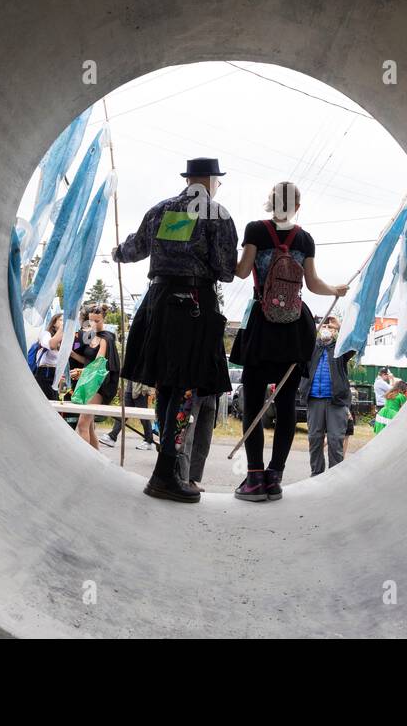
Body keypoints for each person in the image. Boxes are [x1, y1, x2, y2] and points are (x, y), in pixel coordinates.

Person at [112, 158, 238, 503]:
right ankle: (167, 474)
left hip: (158, 302)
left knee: (167, 388)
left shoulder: (160, 209)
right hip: (194, 306)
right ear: (212, 181)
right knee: (185, 389)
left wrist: (116, 251)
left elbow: (133, 250)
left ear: (188, 179)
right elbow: (226, 270)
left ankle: (164, 468)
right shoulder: (217, 214)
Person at [230, 181, 350, 502]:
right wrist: (335, 290)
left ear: (269, 203)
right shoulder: (305, 239)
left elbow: (242, 272)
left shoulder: (255, 229)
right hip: (294, 327)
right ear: (298, 206)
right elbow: (312, 284)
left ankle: (254, 478)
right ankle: (274, 478)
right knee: (285, 407)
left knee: (252, 403)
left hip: (261, 325)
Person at [297, 316, 356, 476]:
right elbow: (298, 342)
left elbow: (355, 342)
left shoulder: (340, 349)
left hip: (336, 402)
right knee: (315, 439)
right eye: (325, 326)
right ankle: (316, 475)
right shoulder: (310, 347)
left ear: (335, 331)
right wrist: (311, 331)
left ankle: (334, 477)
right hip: (314, 400)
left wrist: (340, 326)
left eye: (331, 328)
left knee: (335, 440)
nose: (327, 330)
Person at [67, 303, 120, 450]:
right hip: (88, 382)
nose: (94, 324)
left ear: (104, 319)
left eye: (97, 321)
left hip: (99, 385)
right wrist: (70, 354)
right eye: (91, 321)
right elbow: (87, 360)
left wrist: (81, 372)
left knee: (82, 424)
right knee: (88, 426)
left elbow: (98, 363)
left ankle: (84, 460)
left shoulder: (106, 338)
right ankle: (98, 460)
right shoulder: (90, 336)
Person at [178, 393, 218, 489]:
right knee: (186, 438)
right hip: (193, 387)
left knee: (204, 440)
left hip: (213, 389)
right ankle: (182, 480)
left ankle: (191, 479)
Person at [101, 381, 155, 450]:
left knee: (143, 416)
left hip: (140, 388)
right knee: (123, 413)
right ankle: (112, 437)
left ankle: (148, 441)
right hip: (130, 387)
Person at [34, 313, 64, 401]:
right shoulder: (45, 334)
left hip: (60, 375)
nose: (64, 322)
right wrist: (63, 328)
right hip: (45, 373)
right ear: (54, 323)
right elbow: (51, 345)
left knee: (60, 401)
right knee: (47, 402)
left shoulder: (66, 338)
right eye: (61, 320)